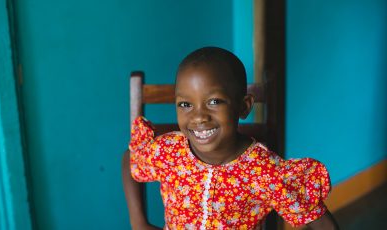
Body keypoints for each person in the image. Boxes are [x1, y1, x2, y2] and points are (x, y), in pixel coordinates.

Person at [122, 47, 339, 229]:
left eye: (214, 101)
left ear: (243, 107)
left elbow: (321, 222)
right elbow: (130, 159)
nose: (198, 116)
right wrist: (138, 222)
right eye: (185, 104)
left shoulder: (263, 171)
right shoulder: (168, 151)